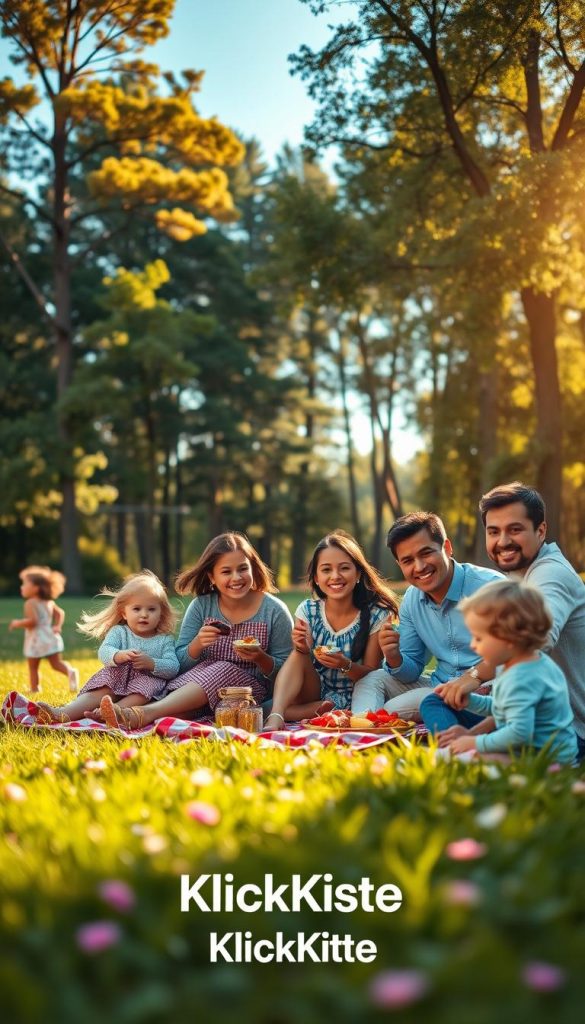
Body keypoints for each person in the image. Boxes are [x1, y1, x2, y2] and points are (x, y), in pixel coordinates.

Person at [427, 482, 585, 759]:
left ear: (541, 530)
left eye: (515, 529)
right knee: (437, 702)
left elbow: (535, 641)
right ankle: (459, 748)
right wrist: (474, 731)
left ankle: (464, 756)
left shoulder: (550, 574)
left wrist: (472, 678)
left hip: (566, 728)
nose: (502, 541)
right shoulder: (524, 574)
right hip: (526, 714)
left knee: (455, 720)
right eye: (493, 531)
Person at [98, 532, 293, 729]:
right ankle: (119, 713)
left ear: (253, 568)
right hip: (197, 689)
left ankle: (142, 714)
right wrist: (197, 645)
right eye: (226, 571)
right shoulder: (201, 606)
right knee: (179, 706)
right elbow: (178, 665)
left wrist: (260, 657)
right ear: (212, 577)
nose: (236, 577)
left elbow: (288, 672)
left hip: (248, 693)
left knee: (222, 668)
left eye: (243, 568)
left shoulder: (274, 610)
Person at [352, 512, 502, 720]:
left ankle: (371, 723)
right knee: (371, 680)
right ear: (400, 565)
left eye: (426, 553)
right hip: (438, 684)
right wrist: (394, 656)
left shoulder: (492, 588)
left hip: (487, 685)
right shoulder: (412, 601)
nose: (420, 567)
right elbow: (410, 671)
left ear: (447, 548)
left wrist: (472, 678)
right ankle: (358, 733)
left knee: (398, 706)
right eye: (408, 560)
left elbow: (514, 652)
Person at [264, 530, 399, 729]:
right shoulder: (308, 610)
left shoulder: (376, 614)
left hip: (358, 694)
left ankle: (306, 711)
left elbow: (372, 675)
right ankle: (278, 715)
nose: (335, 576)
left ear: (358, 573)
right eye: (326, 570)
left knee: (266, 707)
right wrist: (301, 646)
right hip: (314, 691)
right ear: (316, 577)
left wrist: (345, 665)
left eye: (344, 568)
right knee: (298, 654)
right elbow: (302, 663)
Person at [444, 580, 577, 764]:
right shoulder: (531, 663)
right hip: (544, 754)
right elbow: (502, 708)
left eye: (478, 638)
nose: (472, 644)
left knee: (473, 759)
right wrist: (471, 701)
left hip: (546, 761)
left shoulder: (523, 678)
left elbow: (519, 733)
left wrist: (474, 742)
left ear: (509, 639)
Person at [32, 570, 179, 724]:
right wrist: (118, 655)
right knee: (100, 691)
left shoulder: (165, 640)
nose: (144, 615)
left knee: (144, 690)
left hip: (146, 684)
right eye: (137, 609)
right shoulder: (120, 632)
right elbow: (104, 651)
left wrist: (152, 663)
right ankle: (62, 713)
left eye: (151, 609)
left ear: (161, 613)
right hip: (117, 679)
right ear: (124, 613)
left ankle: (113, 712)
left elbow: (173, 667)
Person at [9, 566, 78, 694]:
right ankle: (70, 671)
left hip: (36, 639)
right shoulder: (49, 602)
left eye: (24, 584)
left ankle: (35, 689)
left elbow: (33, 622)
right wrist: (57, 626)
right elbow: (60, 613)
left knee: (33, 666)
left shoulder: (30, 603)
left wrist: (17, 623)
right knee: (56, 663)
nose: (21, 587)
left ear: (36, 588)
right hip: (50, 636)